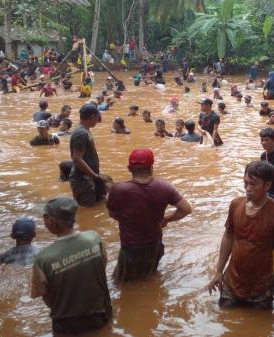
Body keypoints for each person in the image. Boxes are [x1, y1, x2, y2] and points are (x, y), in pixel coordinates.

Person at [206, 161, 274, 309]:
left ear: (267, 186)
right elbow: (228, 237)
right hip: (231, 283)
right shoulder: (236, 205)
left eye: (253, 184)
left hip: (261, 288)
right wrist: (218, 272)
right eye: (245, 183)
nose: (247, 189)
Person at [107, 149, 191, 283]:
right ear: (151, 167)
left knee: (123, 284)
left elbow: (112, 214)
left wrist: (131, 220)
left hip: (131, 247)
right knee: (149, 276)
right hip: (155, 244)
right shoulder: (165, 187)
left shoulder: (118, 189)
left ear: (129, 168)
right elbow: (186, 209)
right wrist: (167, 219)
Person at [30, 196, 112, 334]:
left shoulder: (43, 259)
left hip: (67, 325)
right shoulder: (94, 238)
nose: (44, 221)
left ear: (52, 221)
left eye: (45, 217)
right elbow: (102, 266)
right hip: (102, 314)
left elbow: (45, 295)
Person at [69, 104, 105, 207]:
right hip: (83, 180)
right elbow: (77, 159)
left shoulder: (85, 130)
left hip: (87, 178)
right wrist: (95, 176)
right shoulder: (81, 133)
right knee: (87, 210)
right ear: (93, 116)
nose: (98, 120)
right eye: (98, 117)